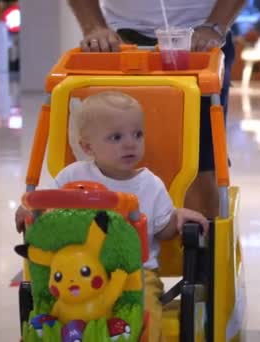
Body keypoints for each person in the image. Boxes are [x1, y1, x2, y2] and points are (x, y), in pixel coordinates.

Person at [15, 91, 210, 342]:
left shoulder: (150, 184)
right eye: (116, 137)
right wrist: (31, 210)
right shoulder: (71, 176)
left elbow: (162, 229)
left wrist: (177, 217)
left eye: (137, 134)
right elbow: (48, 211)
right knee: (48, 318)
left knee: (147, 317)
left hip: (135, 275)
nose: (130, 144)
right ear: (88, 147)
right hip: (73, 275)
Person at [67, 0, 246, 219]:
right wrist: (93, 26)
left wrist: (216, 25)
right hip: (118, 39)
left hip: (201, 40)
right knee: (111, 149)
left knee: (201, 161)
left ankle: (201, 242)